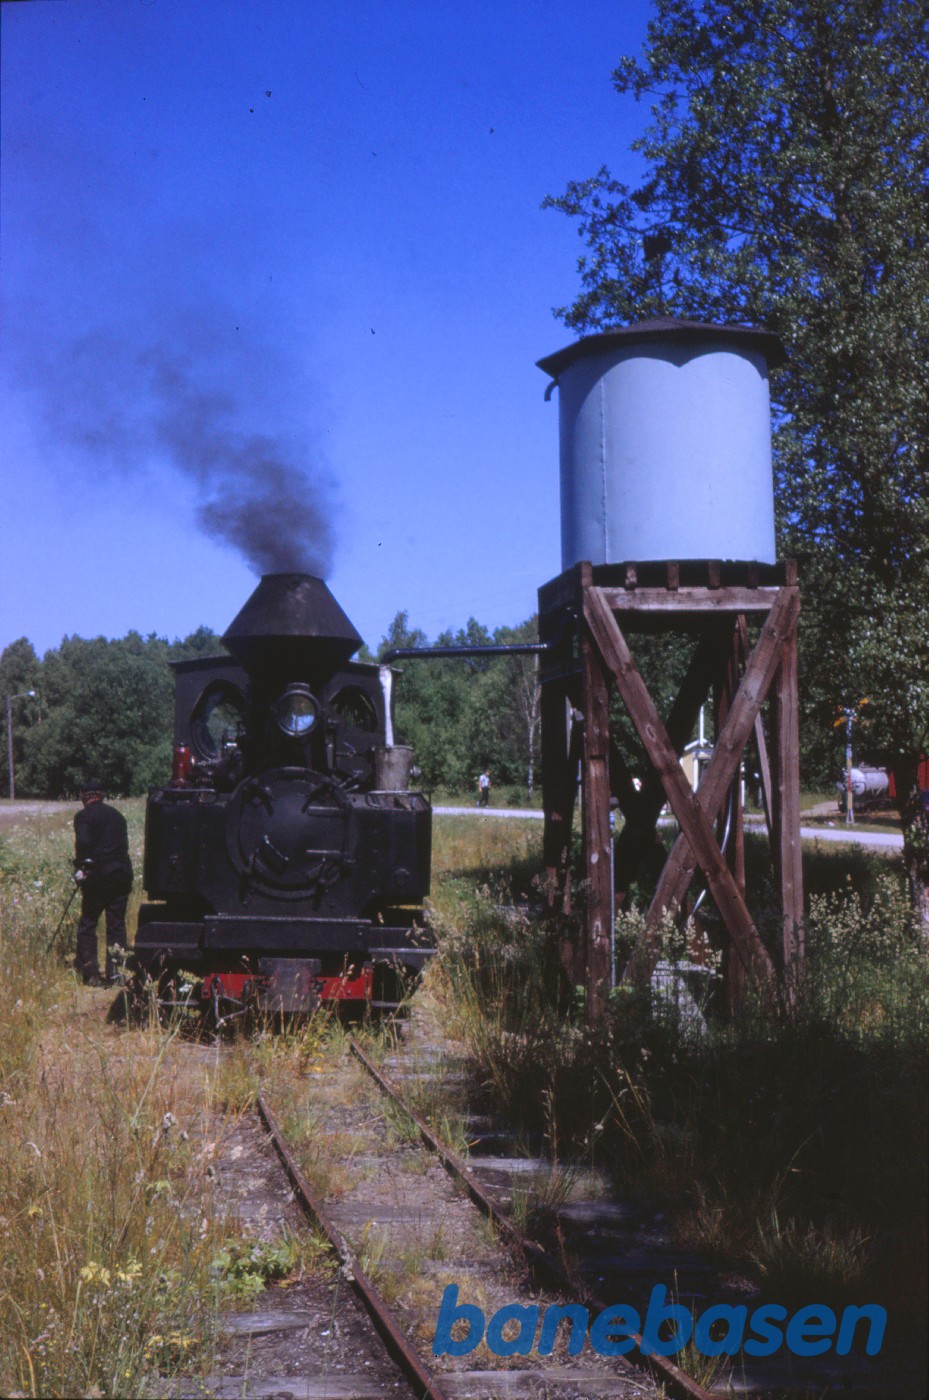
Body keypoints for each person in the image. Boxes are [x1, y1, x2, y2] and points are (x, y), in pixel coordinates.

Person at [73, 778, 133, 986]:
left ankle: (90, 973)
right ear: (102, 795)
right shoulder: (118, 816)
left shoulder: (83, 817)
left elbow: (84, 843)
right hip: (121, 875)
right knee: (116, 924)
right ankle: (117, 973)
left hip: (98, 876)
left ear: (84, 797)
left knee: (88, 924)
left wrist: (80, 868)